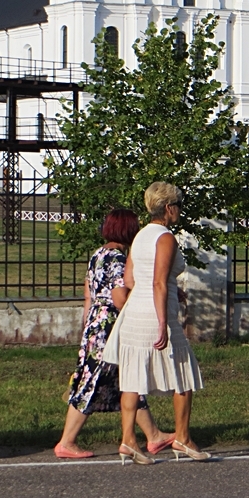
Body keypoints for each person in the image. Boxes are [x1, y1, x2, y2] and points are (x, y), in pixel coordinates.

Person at [54, 209, 174, 460]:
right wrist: (144, 304)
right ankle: (66, 441)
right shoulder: (118, 258)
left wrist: (86, 326)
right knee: (93, 383)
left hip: (95, 326)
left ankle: (153, 436)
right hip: (111, 327)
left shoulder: (98, 255)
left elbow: (89, 293)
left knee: (127, 382)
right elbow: (120, 298)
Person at [106, 182, 209, 464]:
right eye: (178, 205)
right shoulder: (165, 238)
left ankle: (128, 440)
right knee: (184, 376)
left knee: (131, 379)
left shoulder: (139, 236)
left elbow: (130, 279)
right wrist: (164, 321)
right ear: (168, 208)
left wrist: (164, 293)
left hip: (133, 314)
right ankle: (183, 438)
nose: (180, 211)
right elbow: (159, 282)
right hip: (155, 313)